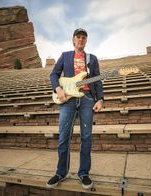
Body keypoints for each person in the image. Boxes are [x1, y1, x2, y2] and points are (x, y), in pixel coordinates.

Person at [47, 28, 104, 189]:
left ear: (86, 41)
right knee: (64, 136)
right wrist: (58, 89)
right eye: (78, 37)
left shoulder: (91, 59)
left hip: (87, 99)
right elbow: (53, 75)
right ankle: (60, 172)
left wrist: (99, 99)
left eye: (84, 37)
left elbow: (97, 81)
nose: (81, 39)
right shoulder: (65, 56)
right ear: (73, 40)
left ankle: (84, 173)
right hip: (68, 100)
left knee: (87, 137)